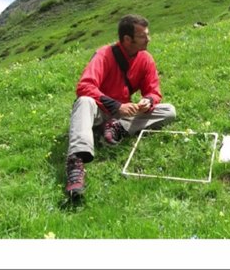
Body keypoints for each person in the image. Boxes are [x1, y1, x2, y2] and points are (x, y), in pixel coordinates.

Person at [64, 14, 177, 200]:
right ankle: (76, 161)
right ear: (127, 39)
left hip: (123, 114)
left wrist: (148, 101)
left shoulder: (146, 59)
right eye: (143, 36)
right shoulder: (104, 54)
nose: (148, 39)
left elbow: (154, 90)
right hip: (100, 110)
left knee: (169, 110)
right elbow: (84, 87)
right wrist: (117, 106)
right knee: (84, 101)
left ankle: (117, 128)